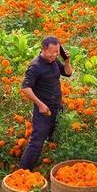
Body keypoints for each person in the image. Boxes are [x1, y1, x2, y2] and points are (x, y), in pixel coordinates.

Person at [19, 36, 73, 170]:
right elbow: (25, 88)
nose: (54, 55)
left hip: (57, 106)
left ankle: (50, 163)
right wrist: (40, 104)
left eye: (57, 52)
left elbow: (68, 73)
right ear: (43, 49)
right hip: (44, 110)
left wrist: (66, 60)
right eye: (52, 52)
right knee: (36, 142)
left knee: (57, 135)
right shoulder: (35, 66)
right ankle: (23, 171)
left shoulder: (53, 61)